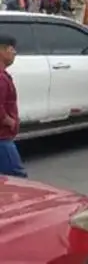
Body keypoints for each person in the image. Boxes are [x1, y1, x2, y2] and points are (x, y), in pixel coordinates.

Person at [0, 34, 27, 177]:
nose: (14, 52)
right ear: (2, 51)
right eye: (12, 49)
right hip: (2, 139)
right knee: (18, 179)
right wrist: (8, 121)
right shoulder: (1, 77)